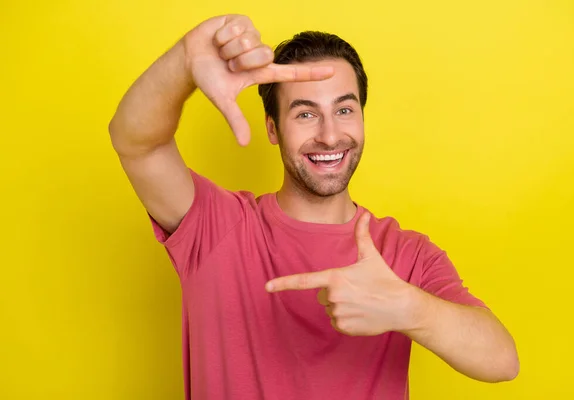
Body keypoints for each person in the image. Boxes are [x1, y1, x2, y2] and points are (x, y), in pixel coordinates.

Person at [108, 14, 519, 400]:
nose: (329, 135)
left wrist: (408, 308)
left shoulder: (405, 254)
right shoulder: (217, 227)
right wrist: (184, 60)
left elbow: (502, 360)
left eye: (344, 109)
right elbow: (137, 143)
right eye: (305, 113)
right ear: (273, 128)